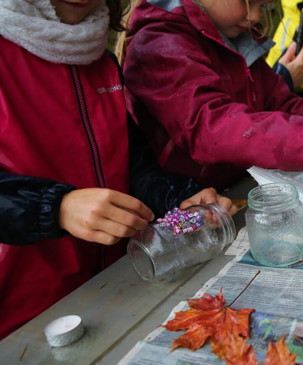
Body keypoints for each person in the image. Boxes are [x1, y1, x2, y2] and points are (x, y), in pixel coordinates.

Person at [0, 0, 236, 340]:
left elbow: (134, 165)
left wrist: (181, 196)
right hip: (26, 315)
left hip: (122, 285)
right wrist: (55, 207)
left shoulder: (101, 59)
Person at [123, 0, 303, 191]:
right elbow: (216, 128)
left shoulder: (234, 35)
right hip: (185, 198)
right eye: (248, 2)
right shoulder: (161, 43)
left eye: (262, 6)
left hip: (237, 186)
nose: (254, 17)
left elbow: (281, 102)